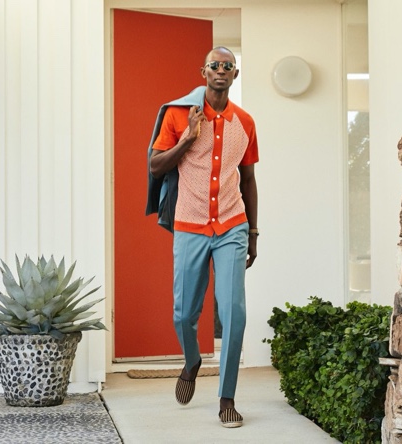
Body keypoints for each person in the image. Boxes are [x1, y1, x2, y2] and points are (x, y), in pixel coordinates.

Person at [149, 46, 259, 428]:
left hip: (232, 224)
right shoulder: (180, 115)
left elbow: (248, 179)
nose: (221, 71)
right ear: (204, 71)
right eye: (215, 65)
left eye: (228, 66)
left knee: (234, 315)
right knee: (184, 313)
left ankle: (226, 398)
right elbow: (155, 165)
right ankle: (192, 360)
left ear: (235, 75)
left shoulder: (244, 122)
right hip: (190, 225)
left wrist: (254, 232)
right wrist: (187, 139)